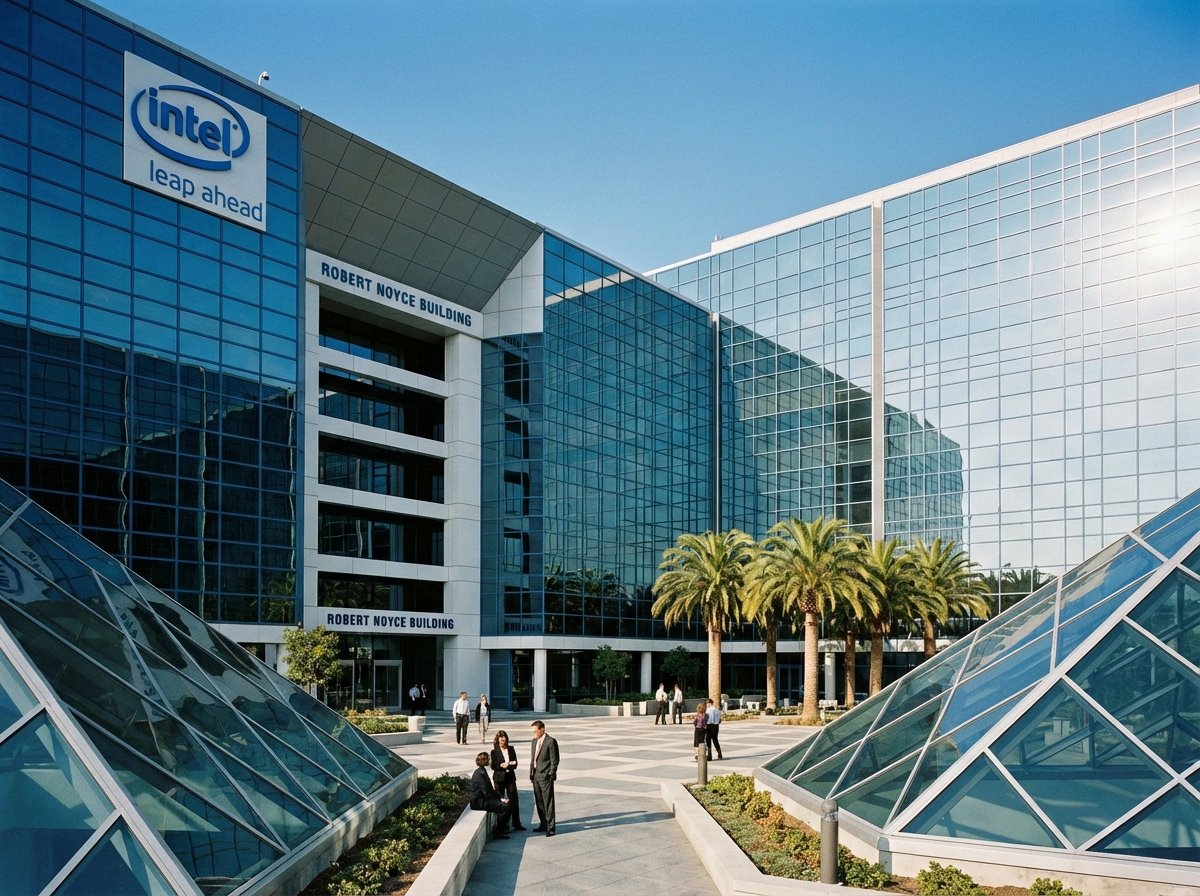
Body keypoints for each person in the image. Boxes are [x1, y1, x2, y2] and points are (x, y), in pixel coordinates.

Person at [470, 751, 512, 839]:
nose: (490, 760)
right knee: (504, 808)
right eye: (488, 759)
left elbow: (491, 790)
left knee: (505, 805)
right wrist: (498, 800)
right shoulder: (480, 774)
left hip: (482, 800)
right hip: (479, 802)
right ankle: (498, 832)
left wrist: (501, 798)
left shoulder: (482, 771)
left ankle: (501, 829)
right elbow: (486, 792)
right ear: (484, 761)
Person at [490, 729, 526, 831]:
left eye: (505, 738)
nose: (503, 740)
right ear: (497, 740)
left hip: (510, 777)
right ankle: (502, 825)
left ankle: (516, 823)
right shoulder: (494, 751)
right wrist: (501, 765)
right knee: (501, 801)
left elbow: (515, 763)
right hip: (499, 779)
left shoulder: (511, 749)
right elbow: (493, 765)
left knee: (514, 799)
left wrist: (512, 764)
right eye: (501, 738)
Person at [529, 719, 559, 836]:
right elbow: (533, 759)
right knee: (539, 801)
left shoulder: (550, 741)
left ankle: (551, 827)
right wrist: (532, 773)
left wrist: (550, 774)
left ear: (542, 729)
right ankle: (543, 823)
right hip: (535, 775)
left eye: (535, 731)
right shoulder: (533, 741)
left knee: (548, 802)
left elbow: (554, 760)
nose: (534, 733)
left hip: (545, 776)